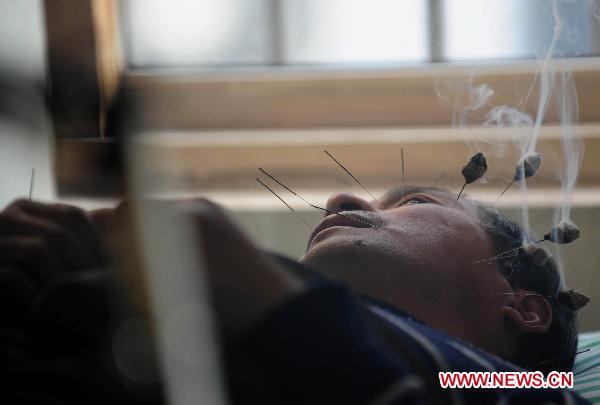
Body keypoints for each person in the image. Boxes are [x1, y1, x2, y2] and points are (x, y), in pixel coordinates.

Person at [0, 188, 589, 404]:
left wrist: (276, 307)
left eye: (415, 202)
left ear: (524, 307)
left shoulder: (527, 387)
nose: (341, 201)